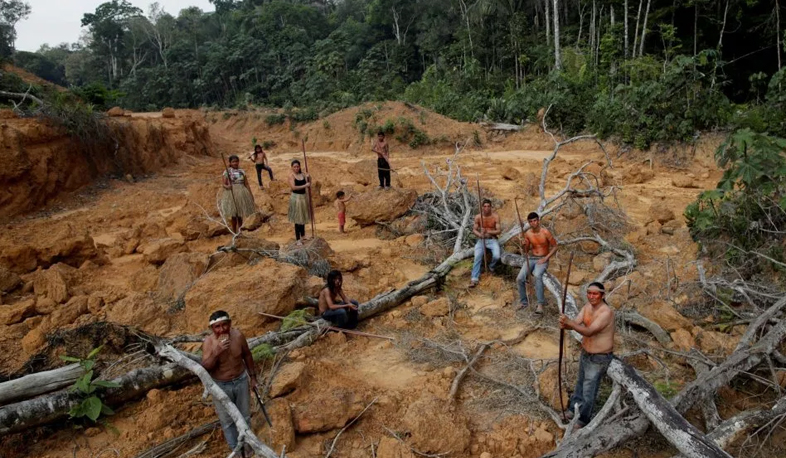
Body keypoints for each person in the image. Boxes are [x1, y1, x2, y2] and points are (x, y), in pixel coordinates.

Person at [559, 282, 615, 429]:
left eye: (595, 293)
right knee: (580, 384)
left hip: (599, 358)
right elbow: (577, 322)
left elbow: (589, 331)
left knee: (589, 390)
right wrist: (565, 323)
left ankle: (583, 419)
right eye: (589, 293)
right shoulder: (587, 307)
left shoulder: (606, 312)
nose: (591, 296)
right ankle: (573, 410)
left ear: (602, 295)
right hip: (586, 353)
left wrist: (570, 323)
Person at [201, 310, 257, 451]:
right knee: (227, 421)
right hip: (221, 385)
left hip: (241, 380)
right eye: (217, 327)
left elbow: (247, 355)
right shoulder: (209, 342)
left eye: (224, 325)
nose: (221, 329)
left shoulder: (238, 336)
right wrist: (216, 352)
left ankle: (248, 446)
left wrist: (253, 378)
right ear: (212, 329)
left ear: (230, 324)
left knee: (245, 416)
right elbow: (206, 367)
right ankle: (236, 450)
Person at [516, 212, 558, 314]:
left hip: (543, 259)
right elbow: (526, 250)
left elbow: (555, 246)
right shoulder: (528, 234)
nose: (533, 223)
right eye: (531, 221)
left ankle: (540, 304)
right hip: (531, 258)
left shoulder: (545, 232)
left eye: (535, 220)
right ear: (529, 223)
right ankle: (524, 302)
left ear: (538, 221)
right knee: (520, 278)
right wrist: (523, 245)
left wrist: (546, 258)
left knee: (537, 275)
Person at [219, 155, 256, 234]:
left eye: (236, 161)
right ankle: (234, 231)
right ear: (230, 163)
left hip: (241, 191)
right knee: (234, 214)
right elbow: (223, 184)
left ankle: (240, 231)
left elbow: (246, 184)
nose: (235, 163)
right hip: (232, 193)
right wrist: (227, 186)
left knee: (240, 214)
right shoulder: (227, 171)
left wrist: (251, 194)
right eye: (233, 162)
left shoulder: (242, 171)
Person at [469, 199, 501, 288]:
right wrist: (480, 234)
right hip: (481, 240)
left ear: (491, 207)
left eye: (488, 206)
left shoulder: (495, 217)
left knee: (497, 256)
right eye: (485, 206)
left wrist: (488, 231)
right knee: (477, 257)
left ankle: (491, 267)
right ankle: (474, 278)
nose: (486, 208)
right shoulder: (478, 217)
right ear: (482, 207)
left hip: (492, 239)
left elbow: (498, 231)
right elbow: (474, 229)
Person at [287, 159, 311, 245]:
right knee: (297, 218)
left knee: (302, 216)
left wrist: (308, 177)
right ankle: (298, 239)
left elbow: (309, 183)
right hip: (296, 198)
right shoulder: (291, 176)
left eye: (297, 166)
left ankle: (303, 235)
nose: (296, 168)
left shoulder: (303, 174)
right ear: (292, 168)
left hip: (303, 198)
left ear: (299, 167)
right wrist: (305, 185)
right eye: (295, 167)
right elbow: (293, 187)